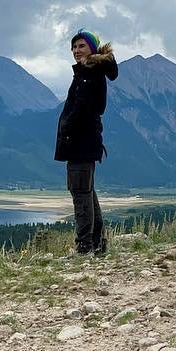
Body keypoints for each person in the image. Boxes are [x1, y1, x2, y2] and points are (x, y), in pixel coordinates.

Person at [54, 29, 118, 256]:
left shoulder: (89, 73)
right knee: (86, 192)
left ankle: (84, 248)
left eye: (81, 46)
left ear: (93, 48)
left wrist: (67, 128)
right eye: (73, 47)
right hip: (84, 142)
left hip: (81, 143)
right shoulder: (89, 72)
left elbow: (86, 108)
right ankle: (98, 245)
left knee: (80, 194)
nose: (76, 51)